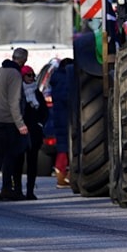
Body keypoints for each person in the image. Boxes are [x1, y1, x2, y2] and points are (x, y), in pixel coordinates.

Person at [0, 47, 29, 201]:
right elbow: (14, 101)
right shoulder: (15, 74)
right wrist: (20, 124)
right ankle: (6, 188)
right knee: (10, 156)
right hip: (9, 120)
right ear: (24, 60)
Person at [12, 65, 48, 200]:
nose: (32, 78)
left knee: (32, 163)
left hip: (34, 133)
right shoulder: (18, 92)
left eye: (33, 75)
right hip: (21, 132)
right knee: (18, 162)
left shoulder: (37, 93)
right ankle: (17, 190)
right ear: (22, 77)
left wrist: (40, 124)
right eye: (29, 75)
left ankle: (30, 191)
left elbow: (45, 111)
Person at [50, 57, 73, 189]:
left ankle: (61, 174)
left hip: (58, 116)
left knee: (62, 145)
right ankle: (62, 174)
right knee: (65, 146)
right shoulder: (66, 79)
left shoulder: (56, 79)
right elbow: (66, 97)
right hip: (66, 117)